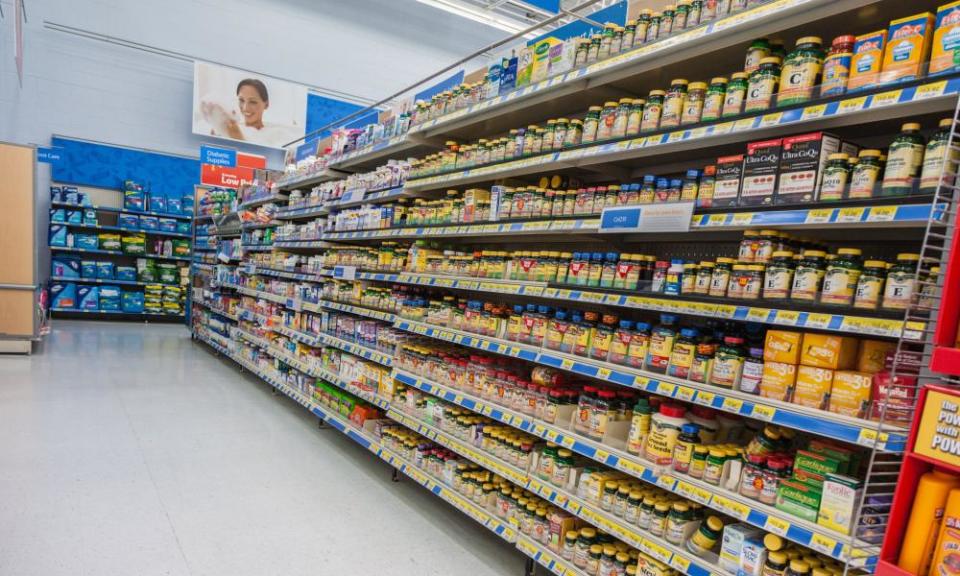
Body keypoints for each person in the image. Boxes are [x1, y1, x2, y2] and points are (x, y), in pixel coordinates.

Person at [200, 77, 300, 146]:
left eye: (253, 102)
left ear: (266, 104)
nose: (245, 108)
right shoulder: (227, 128)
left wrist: (239, 139)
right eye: (241, 100)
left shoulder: (278, 134)